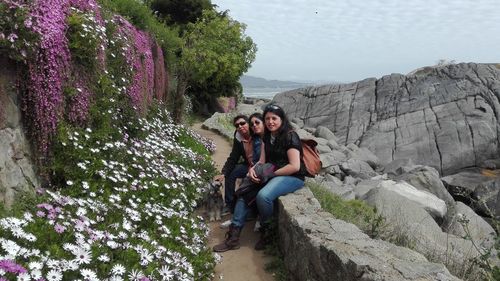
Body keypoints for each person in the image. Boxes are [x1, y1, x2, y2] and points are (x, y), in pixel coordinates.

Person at [213, 104, 306, 252]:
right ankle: (233, 238)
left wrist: (270, 175)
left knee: (263, 196)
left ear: (281, 119)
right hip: (271, 170)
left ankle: (267, 232)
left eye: (274, 118)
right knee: (244, 191)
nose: (270, 122)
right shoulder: (267, 137)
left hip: (292, 176)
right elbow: (261, 162)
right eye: (267, 118)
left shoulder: (290, 136)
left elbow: (295, 166)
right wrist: (252, 172)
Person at [218, 112, 265, 228]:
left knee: (247, 184)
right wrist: (223, 172)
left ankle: (251, 214)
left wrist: (253, 168)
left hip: (259, 167)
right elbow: (233, 157)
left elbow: (261, 158)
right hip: (247, 165)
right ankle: (229, 205)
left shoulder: (257, 135)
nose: (240, 126)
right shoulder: (238, 137)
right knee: (231, 172)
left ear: (248, 124)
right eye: (237, 125)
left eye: (242, 123)